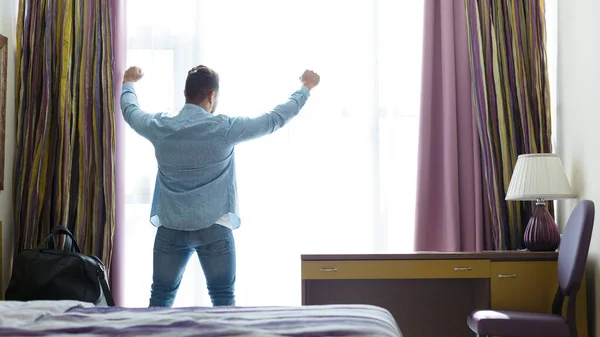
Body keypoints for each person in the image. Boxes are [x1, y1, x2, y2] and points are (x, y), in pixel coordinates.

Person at [120, 65, 320, 307]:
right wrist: (305, 88)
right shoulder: (223, 128)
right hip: (214, 230)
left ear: (185, 92)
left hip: (170, 229)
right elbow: (274, 119)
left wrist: (129, 82)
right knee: (223, 301)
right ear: (212, 96)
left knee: (160, 298)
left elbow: (131, 112)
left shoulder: (160, 126)